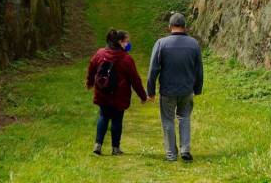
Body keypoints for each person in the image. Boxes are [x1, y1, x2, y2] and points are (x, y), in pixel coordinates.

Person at [146, 12, 204, 162]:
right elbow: (198, 69)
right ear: (185, 26)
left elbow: (153, 69)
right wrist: (197, 88)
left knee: (168, 120)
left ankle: (171, 154)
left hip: (167, 91)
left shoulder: (161, 43)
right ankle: (185, 150)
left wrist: (150, 91)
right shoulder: (194, 44)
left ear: (169, 26)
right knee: (184, 118)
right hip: (186, 90)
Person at [86, 28, 147, 156]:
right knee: (117, 120)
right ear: (120, 42)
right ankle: (115, 148)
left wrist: (90, 82)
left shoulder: (100, 53)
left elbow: (92, 68)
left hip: (103, 92)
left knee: (103, 116)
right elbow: (135, 79)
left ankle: (98, 145)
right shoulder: (126, 59)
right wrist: (142, 96)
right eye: (126, 41)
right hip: (120, 95)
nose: (128, 44)